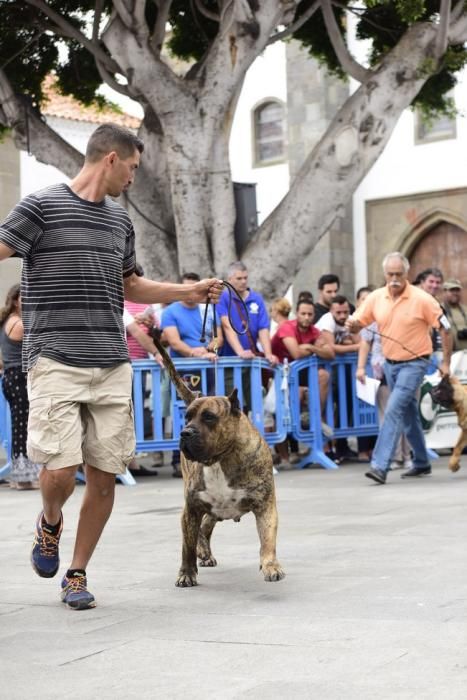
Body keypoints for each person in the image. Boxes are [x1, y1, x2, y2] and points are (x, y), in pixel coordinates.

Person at [0, 122, 222, 610]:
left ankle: (76, 574)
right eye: (134, 168)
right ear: (111, 159)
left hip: (111, 362)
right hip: (55, 359)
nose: (134, 179)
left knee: (104, 473)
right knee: (60, 470)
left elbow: (132, 286)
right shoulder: (41, 207)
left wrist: (187, 291)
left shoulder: (118, 221)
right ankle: (50, 521)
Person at [346, 252, 451, 485]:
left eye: (399, 274)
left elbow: (446, 328)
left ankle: (379, 465)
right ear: (385, 274)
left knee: (393, 408)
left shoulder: (422, 298)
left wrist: (445, 362)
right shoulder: (376, 298)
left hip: (416, 362)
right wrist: (352, 324)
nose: (394, 279)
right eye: (390, 274)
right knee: (408, 414)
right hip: (390, 365)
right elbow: (358, 325)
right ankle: (422, 461)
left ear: (407, 274)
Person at [161, 271, 223, 477]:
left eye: (195, 289)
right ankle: (178, 460)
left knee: (208, 413)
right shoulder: (170, 312)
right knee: (182, 413)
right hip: (183, 373)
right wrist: (195, 352)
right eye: (187, 288)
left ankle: (209, 456)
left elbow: (217, 338)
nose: (191, 293)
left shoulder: (208, 311)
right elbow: (174, 341)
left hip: (206, 369)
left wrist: (210, 349)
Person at [271, 298, 335, 461]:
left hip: (297, 374)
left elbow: (330, 353)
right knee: (279, 412)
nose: (306, 317)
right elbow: (296, 354)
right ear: (296, 314)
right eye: (303, 314)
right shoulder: (287, 327)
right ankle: (285, 455)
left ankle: (315, 417)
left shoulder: (314, 331)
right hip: (276, 375)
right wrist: (314, 350)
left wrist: (312, 347)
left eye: (310, 314)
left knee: (323, 375)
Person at [0, 284, 41, 490]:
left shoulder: (10, 321)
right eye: (26, 297)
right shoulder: (19, 324)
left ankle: (21, 476)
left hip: (12, 377)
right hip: (19, 378)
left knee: (21, 426)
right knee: (23, 428)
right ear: (16, 301)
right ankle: (23, 477)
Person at [316, 295, 361, 463]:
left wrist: (351, 343)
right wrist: (354, 346)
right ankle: (326, 447)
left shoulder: (350, 320)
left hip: (341, 369)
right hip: (324, 369)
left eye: (346, 312)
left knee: (346, 405)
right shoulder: (327, 321)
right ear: (331, 311)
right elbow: (331, 348)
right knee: (327, 406)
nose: (343, 316)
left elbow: (359, 340)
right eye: (339, 313)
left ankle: (340, 445)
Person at [442, 279, 467, 352]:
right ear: (444, 292)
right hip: (449, 354)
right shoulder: (439, 310)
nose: (455, 293)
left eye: (457, 290)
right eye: (452, 290)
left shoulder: (465, 309)